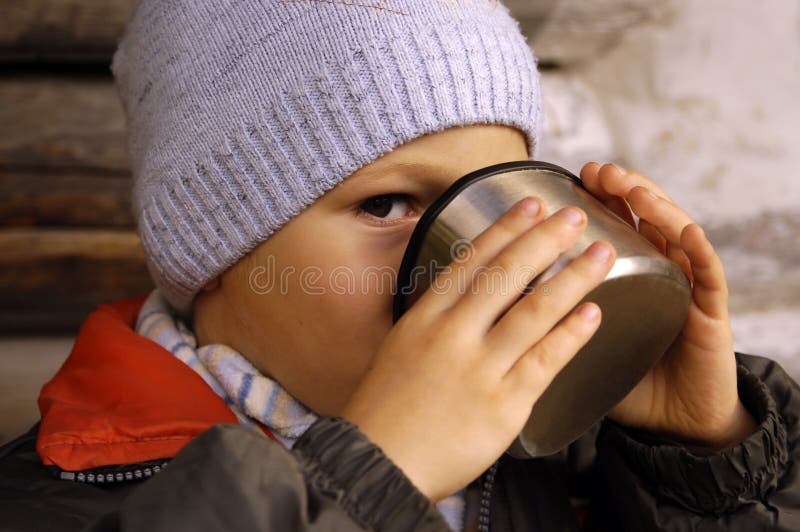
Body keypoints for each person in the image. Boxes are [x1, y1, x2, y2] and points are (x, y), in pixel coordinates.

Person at [1, 1, 798, 530]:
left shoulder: (566, 457)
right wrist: (375, 477)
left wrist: (706, 463)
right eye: (386, 207)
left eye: (501, 198)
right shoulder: (54, 501)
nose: (479, 264)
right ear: (216, 251)